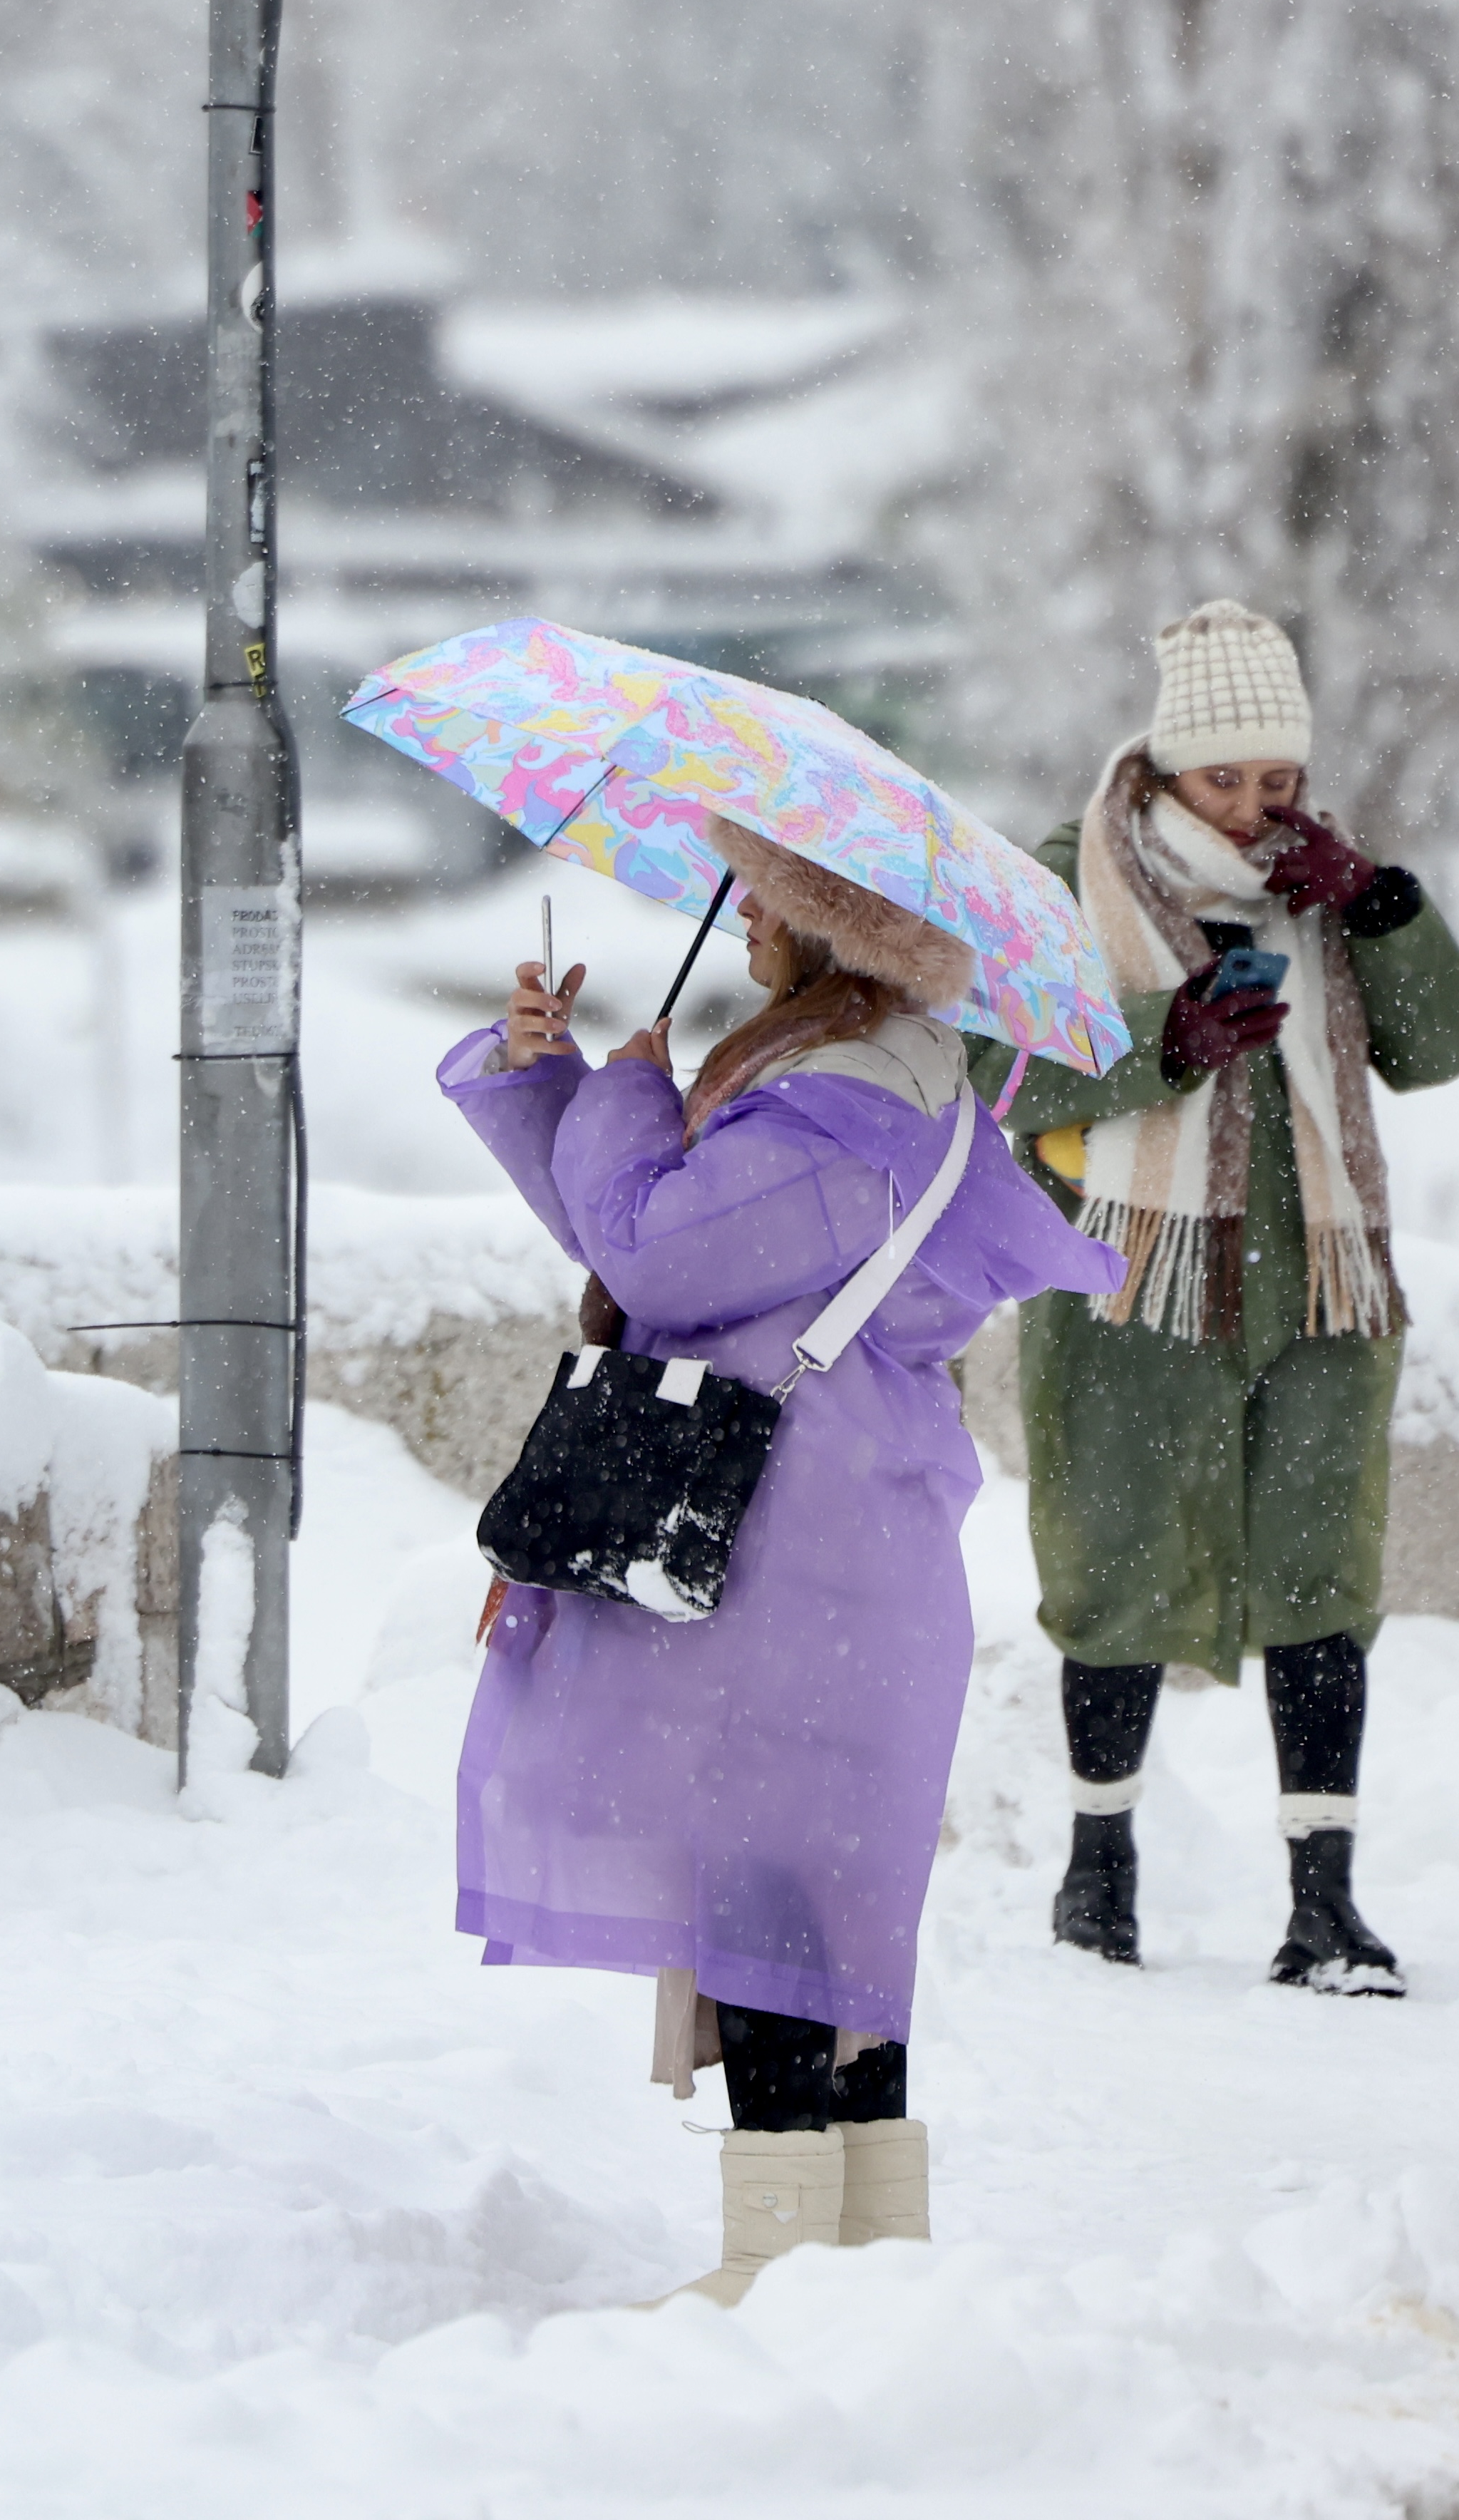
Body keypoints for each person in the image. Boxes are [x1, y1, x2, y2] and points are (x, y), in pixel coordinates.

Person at [447, 818, 1123, 2303]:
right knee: (829, 1911)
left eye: (769, 891)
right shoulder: (900, 1094)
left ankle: (781, 2277)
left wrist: (626, 1095)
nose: (742, 912)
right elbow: (666, 1242)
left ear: (833, 928)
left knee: (771, 1898)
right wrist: (555, 1081)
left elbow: (660, 1262)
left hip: (786, 1557)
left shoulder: (833, 1112)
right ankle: (863, 2265)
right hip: (846, 1546)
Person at [966, 601, 1459, 1996]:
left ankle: (1326, 1908)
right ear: (1163, 771)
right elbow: (991, 1072)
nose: (1263, 807)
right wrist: (1168, 1041)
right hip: (1130, 1285)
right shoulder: (1066, 880)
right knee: (1113, 1567)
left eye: (1283, 780)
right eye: (1231, 779)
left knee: (1327, 1575)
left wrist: (1376, 907)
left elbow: (1443, 1049)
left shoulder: (1327, 897)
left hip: (1318, 1292)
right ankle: (1099, 1877)